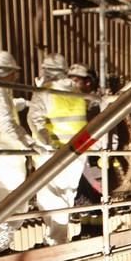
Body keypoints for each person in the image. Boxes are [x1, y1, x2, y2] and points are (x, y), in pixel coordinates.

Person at [0, 50, 44, 251]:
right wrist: (29, 144)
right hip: (6, 159)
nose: (16, 76)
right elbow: (6, 125)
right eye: (14, 72)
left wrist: (19, 104)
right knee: (9, 202)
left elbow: (0, 112)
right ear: (6, 72)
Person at [29, 54, 88, 244]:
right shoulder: (76, 93)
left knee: (50, 198)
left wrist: (47, 143)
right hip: (76, 153)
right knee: (66, 196)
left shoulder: (46, 92)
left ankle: (55, 243)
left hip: (54, 152)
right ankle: (57, 239)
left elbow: (35, 120)